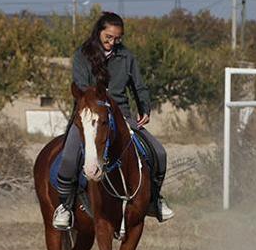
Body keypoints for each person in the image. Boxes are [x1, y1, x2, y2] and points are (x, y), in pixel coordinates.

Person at [52, 12, 174, 230]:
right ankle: (65, 206)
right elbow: (81, 87)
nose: (112, 42)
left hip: (121, 116)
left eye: (117, 38)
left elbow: (139, 86)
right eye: (108, 37)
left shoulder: (127, 57)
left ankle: (154, 199)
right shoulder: (81, 55)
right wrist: (99, 104)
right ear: (98, 32)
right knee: (69, 157)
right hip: (89, 117)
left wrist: (144, 107)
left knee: (159, 152)